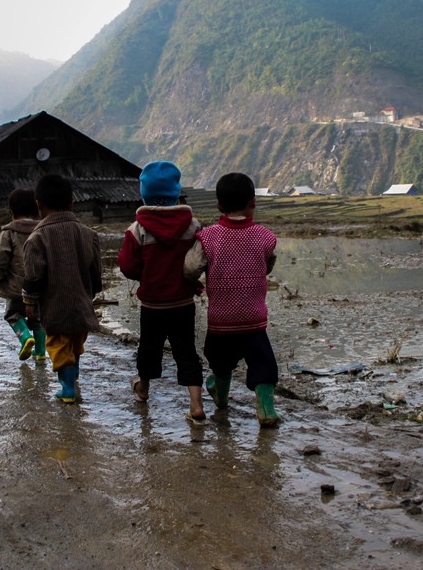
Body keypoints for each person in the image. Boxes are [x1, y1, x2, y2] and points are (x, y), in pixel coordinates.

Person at [184, 172, 281, 428]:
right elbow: (268, 264)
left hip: (221, 319)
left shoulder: (208, 237)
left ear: (218, 205)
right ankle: (266, 408)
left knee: (220, 361)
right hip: (253, 317)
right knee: (263, 364)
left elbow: (190, 269)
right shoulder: (264, 236)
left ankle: (221, 395)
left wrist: (196, 282)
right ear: (253, 202)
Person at [118, 161, 206, 425]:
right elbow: (199, 261)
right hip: (183, 302)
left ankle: (143, 389)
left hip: (153, 304)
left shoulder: (137, 229)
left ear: (144, 193)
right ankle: (196, 403)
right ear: (176, 192)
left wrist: (145, 276)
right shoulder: (194, 226)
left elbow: (127, 266)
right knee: (186, 351)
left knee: (149, 348)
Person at [22, 174, 103, 403]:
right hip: (81, 303)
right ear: (71, 203)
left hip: (55, 305)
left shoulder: (37, 238)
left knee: (58, 345)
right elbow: (95, 272)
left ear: (38, 205)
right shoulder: (89, 234)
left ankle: (67, 389)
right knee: (76, 343)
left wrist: (29, 303)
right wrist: (91, 293)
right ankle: (74, 377)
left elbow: (33, 277)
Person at [0, 188, 47, 362]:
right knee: (38, 318)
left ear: (12, 211)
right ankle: (41, 352)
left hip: (16, 288)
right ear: (37, 209)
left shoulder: (8, 233)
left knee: (13, 315)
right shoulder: (43, 231)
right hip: (38, 287)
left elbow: (0, 258)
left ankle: (24, 338)